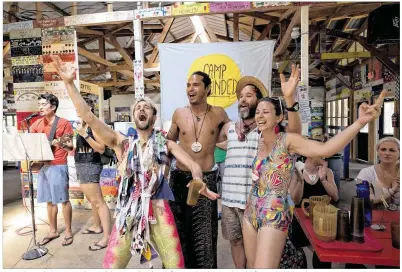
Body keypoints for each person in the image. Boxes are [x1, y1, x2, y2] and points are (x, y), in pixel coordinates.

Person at [50, 55, 218, 268]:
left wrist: (197, 180)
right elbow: (88, 117)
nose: (141, 109)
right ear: (133, 116)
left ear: (154, 116)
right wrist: (69, 83)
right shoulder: (121, 143)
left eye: (146, 107)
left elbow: (194, 165)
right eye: (137, 107)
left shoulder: (166, 144)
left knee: (176, 265)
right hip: (128, 213)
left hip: (159, 211)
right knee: (111, 266)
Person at [243, 90, 386, 268]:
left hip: (274, 214)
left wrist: (359, 123)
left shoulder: (287, 141)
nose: (260, 116)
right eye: (258, 112)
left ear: (279, 118)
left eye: (266, 112)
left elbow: (325, 149)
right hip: (250, 210)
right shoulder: (258, 141)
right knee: (250, 266)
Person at [218, 65, 302, 269]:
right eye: (241, 96)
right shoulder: (230, 129)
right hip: (229, 198)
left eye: (248, 95)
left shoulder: (267, 131)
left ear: (258, 101)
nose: (243, 100)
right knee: (235, 242)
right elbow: (217, 147)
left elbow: (294, 135)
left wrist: (290, 102)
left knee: (259, 255)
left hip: (257, 203)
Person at [167, 71, 230, 268]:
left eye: (195, 85)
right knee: (177, 232)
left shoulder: (219, 113)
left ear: (207, 89)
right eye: (188, 85)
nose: (190, 89)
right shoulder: (179, 113)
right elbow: (168, 141)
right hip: (179, 179)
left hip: (206, 180)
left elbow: (228, 138)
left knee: (204, 236)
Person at [30, 93, 74, 247]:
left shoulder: (63, 123)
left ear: (53, 107)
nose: (40, 107)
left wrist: (59, 143)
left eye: (43, 104)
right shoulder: (35, 125)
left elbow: (70, 146)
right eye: (39, 104)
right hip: (43, 166)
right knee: (49, 201)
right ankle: (53, 230)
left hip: (58, 165)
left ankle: (68, 230)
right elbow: (33, 146)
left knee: (63, 200)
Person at [289, 151, 339, 268]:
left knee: (322, 257)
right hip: (301, 223)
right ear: (308, 153)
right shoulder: (296, 172)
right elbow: (296, 200)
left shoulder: (328, 172)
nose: (324, 154)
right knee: (300, 258)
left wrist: (323, 180)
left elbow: (336, 196)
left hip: (322, 223)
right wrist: (301, 181)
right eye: (319, 150)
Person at [74, 98, 111, 251]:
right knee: (92, 200)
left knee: (98, 201)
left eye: (81, 107)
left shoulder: (93, 126)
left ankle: (107, 237)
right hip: (82, 164)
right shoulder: (81, 126)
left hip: (90, 164)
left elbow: (101, 148)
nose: (78, 110)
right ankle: (97, 226)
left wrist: (85, 135)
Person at [357, 137, 400, 210]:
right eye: (383, 149)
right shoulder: (366, 173)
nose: (387, 153)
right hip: (376, 218)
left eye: (392, 150)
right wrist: (393, 190)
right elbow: (367, 201)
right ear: (377, 151)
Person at [214, 145, 226, 220]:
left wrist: (215, 142)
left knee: (225, 187)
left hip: (225, 159)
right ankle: (216, 210)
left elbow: (228, 144)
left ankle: (221, 210)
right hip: (212, 160)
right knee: (213, 188)